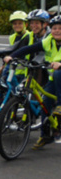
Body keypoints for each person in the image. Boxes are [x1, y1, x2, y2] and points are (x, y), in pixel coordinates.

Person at [4, 15, 61, 149]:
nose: (57, 31)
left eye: (60, 28)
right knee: (44, 104)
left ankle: (60, 104)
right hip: (54, 80)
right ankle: (46, 135)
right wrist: (12, 56)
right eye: (54, 28)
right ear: (50, 29)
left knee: (59, 72)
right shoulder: (49, 41)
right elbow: (29, 49)